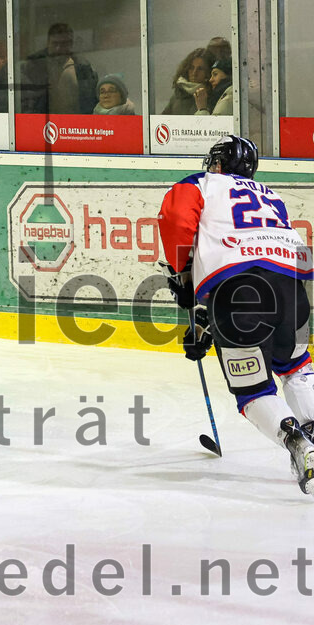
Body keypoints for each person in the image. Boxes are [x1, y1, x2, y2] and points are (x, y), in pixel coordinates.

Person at [159, 135, 314, 497]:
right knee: (296, 369)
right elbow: (253, 259)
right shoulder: (270, 196)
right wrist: (205, 323)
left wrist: (182, 274)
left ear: (216, 164)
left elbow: (176, 220)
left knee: (254, 389)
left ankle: (300, 445)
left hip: (239, 294)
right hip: (294, 291)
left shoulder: (201, 184)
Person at [20, 23, 97, 115]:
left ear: (71, 44)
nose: (58, 48)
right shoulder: (33, 65)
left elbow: (90, 98)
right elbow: (25, 100)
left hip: (74, 123)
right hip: (42, 123)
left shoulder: (82, 67)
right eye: (55, 43)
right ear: (48, 43)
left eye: (64, 44)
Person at [161, 48, 214, 115]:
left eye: (200, 69)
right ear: (186, 69)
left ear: (208, 72)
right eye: (191, 68)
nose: (194, 73)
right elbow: (163, 119)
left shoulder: (212, 96)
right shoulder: (179, 94)